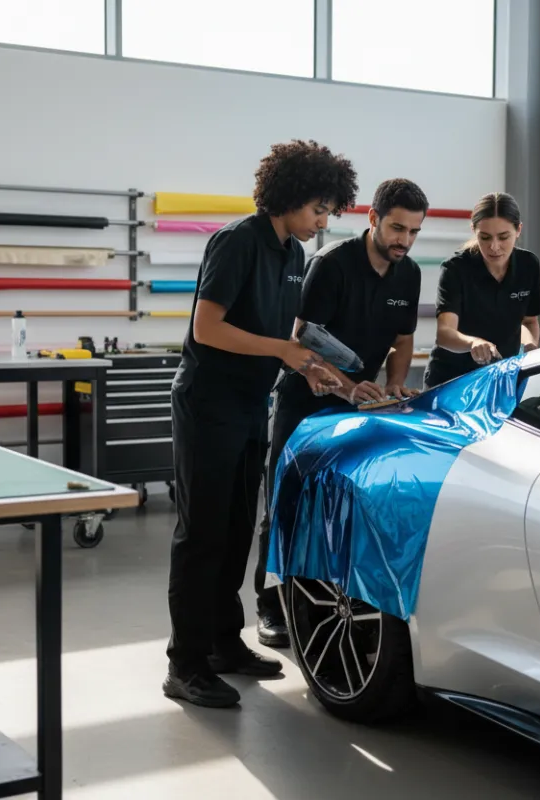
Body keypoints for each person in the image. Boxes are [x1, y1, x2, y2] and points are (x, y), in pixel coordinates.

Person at [164, 139, 357, 709]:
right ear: (290, 196)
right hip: (208, 405)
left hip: (251, 406)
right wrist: (283, 350)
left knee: (234, 532)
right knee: (201, 536)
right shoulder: (237, 242)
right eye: (318, 209)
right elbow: (208, 329)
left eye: (329, 212)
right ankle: (186, 663)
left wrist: (323, 371)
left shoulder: (293, 255)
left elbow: (285, 340)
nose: (323, 222)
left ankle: (224, 643)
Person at [252, 178, 429, 648]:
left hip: (362, 399)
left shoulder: (408, 274)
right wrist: (350, 388)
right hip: (305, 399)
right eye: (396, 228)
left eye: (413, 232)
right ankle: (270, 605)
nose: (404, 241)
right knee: (284, 500)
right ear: (372, 218)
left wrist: (394, 382)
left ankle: (324, 600)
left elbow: (403, 339)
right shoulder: (331, 264)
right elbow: (304, 336)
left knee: (341, 503)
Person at [423, 192, 540, 390]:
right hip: (450, 379)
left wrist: (530, 346)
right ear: (473, 230)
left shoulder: (528, 265)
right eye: (484, 237)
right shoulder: (455, 269)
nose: (494, 247)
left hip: (500, 377)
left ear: (518, 230)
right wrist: (472, 343)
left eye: (504, 237)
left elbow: (529, 321)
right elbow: (445, 333)